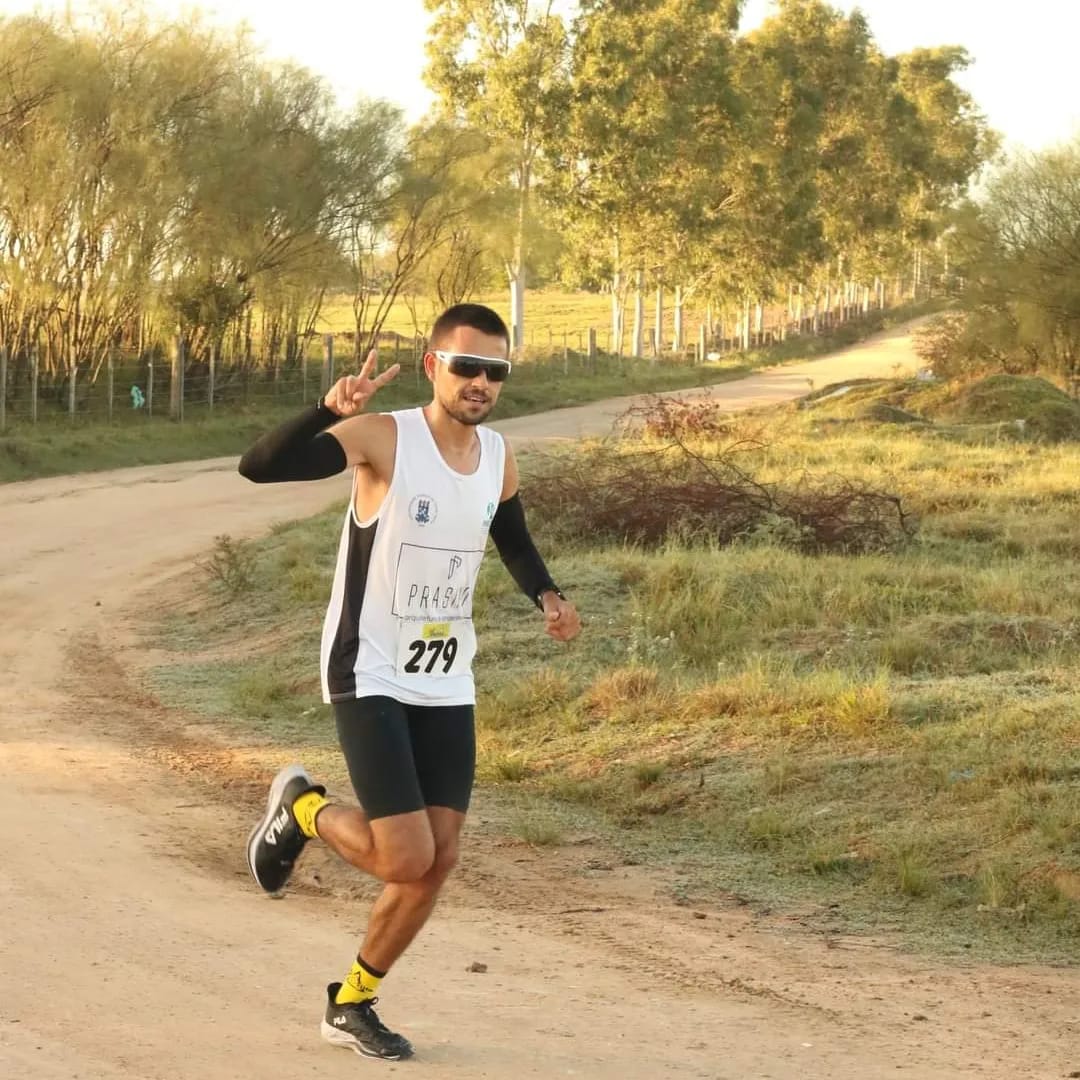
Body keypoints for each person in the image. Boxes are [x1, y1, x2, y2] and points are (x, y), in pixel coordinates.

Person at [237, 303, 581, 1061]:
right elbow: (258, 467)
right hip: (371, 667)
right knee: (404, 857)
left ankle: (352, 1002)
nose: (482, 383)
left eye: (496, 370)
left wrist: (548, 597)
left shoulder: (497, 455)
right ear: (434, 365)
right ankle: (302, 810)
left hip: (446, 673)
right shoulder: (385, 437)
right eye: (467, 367)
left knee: (441, 855)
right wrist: (326, 410)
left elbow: (510, 536)